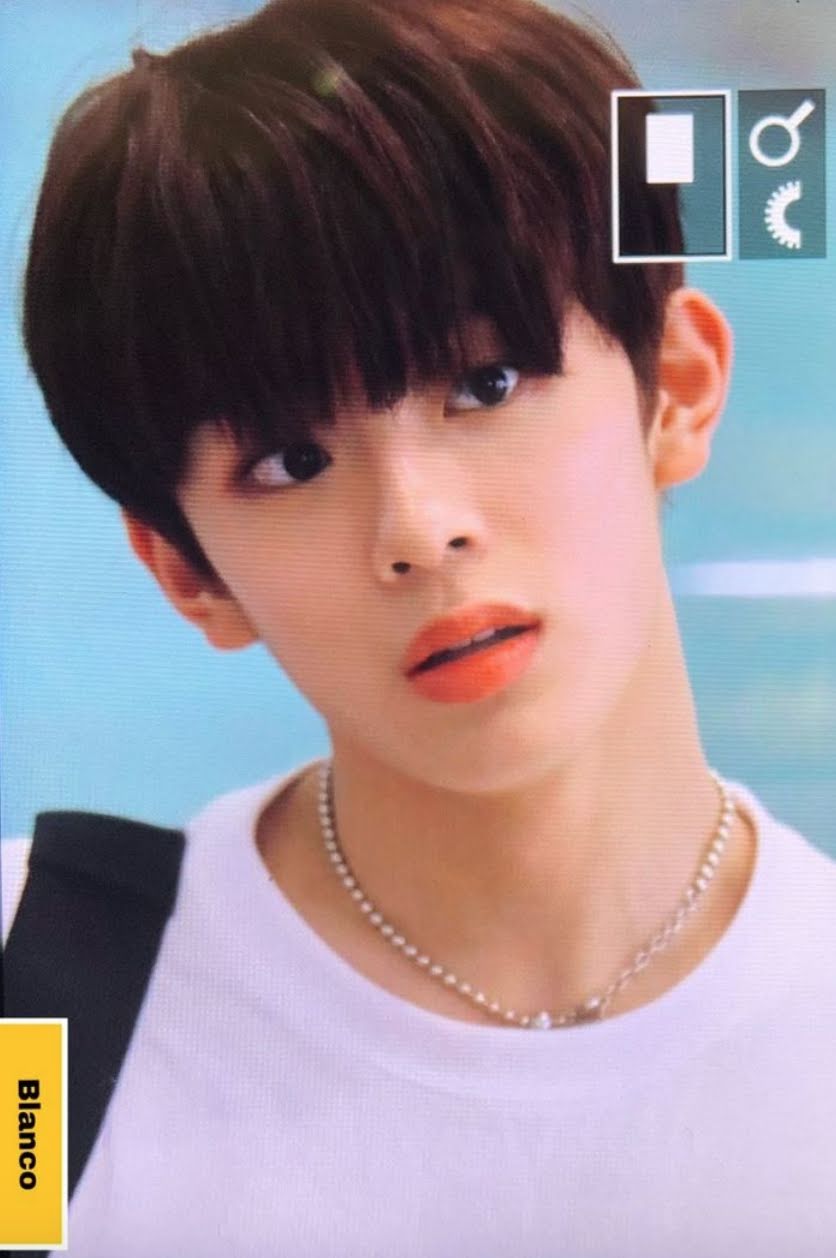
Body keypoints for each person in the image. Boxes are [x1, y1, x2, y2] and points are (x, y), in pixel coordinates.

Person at [3, 0, 835, 1253]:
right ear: (188, 573)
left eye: (486, 384)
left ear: (672, 388)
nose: (417, 529)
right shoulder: (34, 1027)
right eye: (289, 460)